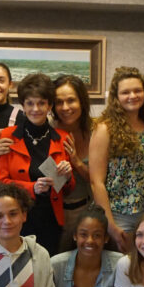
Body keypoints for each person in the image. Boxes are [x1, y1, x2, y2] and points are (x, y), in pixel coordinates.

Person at [0, 73, 75, 256]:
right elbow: (1, 184)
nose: (35, 109)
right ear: (23, 105)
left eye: (41, 103)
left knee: (47, 269)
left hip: (51, 220)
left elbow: (68, 189)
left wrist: (67, 176)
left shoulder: (62, 138)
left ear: (50, 105)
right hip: (16, 220)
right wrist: (32, 188)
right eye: (30, 103)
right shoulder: (8, 136)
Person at [89, 66, 144, 252]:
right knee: (125, 267)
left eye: (137, 90)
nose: (132, 96)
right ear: (116, 97)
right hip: (122, 216)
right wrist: (110, 224)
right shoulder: (104, 129)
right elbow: (96, 182)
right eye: (125, 92)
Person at [52, 75, 94, 251]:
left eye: (71, 100)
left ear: (82, 101)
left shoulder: (95, 131)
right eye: (59, 102)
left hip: (88, 210)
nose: (65, 107)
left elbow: (101, 179)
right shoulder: (48, 130)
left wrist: (76, 161)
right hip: (55, 213)